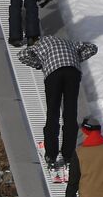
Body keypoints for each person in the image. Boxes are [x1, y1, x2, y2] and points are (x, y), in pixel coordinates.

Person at [18, 34, 97, 173]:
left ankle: (51, 156)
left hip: (54, 73)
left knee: (53, 113)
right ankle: (68, 155)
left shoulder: (42, 44)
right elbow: (92, 48)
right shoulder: (70, 42)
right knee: (70, 113)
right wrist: (76, 59)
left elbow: (22, 55)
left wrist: (39, 64)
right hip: (73, 71)